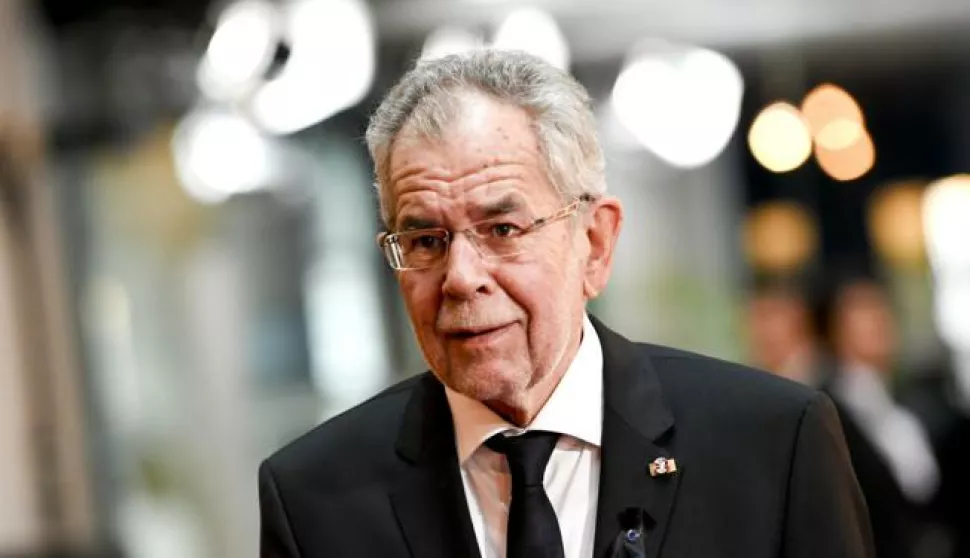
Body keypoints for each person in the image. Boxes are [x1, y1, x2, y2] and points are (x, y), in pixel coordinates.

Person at [258, 50, 874, 558]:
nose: (460, 278)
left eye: (502, 230)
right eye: (425, 241)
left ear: (595, 243)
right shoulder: (315, 497)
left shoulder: (770, 445)